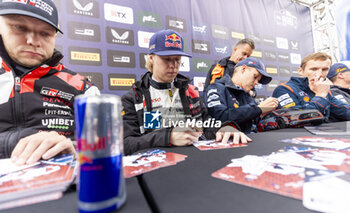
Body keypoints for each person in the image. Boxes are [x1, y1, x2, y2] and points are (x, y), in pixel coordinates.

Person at [0, 0, 99, 164]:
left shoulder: (83, 88)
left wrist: (72, 149)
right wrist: (15, 142)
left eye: (45, 33)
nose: (33, 41)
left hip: (66, 183)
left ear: (54, 37)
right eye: (20, 28)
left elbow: (101, 148)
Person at [122, 29, 251, 155]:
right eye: (166, 59)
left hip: (191, 165)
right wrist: (169, 137)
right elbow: (125, 144)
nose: (173, 65)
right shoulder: (134, 97)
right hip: (153, 169)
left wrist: (223, 128)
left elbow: (207, 124)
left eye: (177, 59)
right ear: (151, 58)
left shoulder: (190, 91)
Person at [204, 57, 278, 133]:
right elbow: (219, 117)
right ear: (243, 69)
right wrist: (259, 109)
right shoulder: (217, 87)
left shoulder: (247, 94)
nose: (256, 83)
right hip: (231, 142)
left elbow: (255, 120)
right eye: (255, 77)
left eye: (258, 80)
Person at [272, 52, 350, 121]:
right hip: (297, 136)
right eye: (314, 69)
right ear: (300, 71)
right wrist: (320, 96)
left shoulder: (322, 89)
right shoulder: (284, 89)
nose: (319, 74)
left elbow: (344, 111)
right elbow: (295, 117)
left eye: (324, 69)